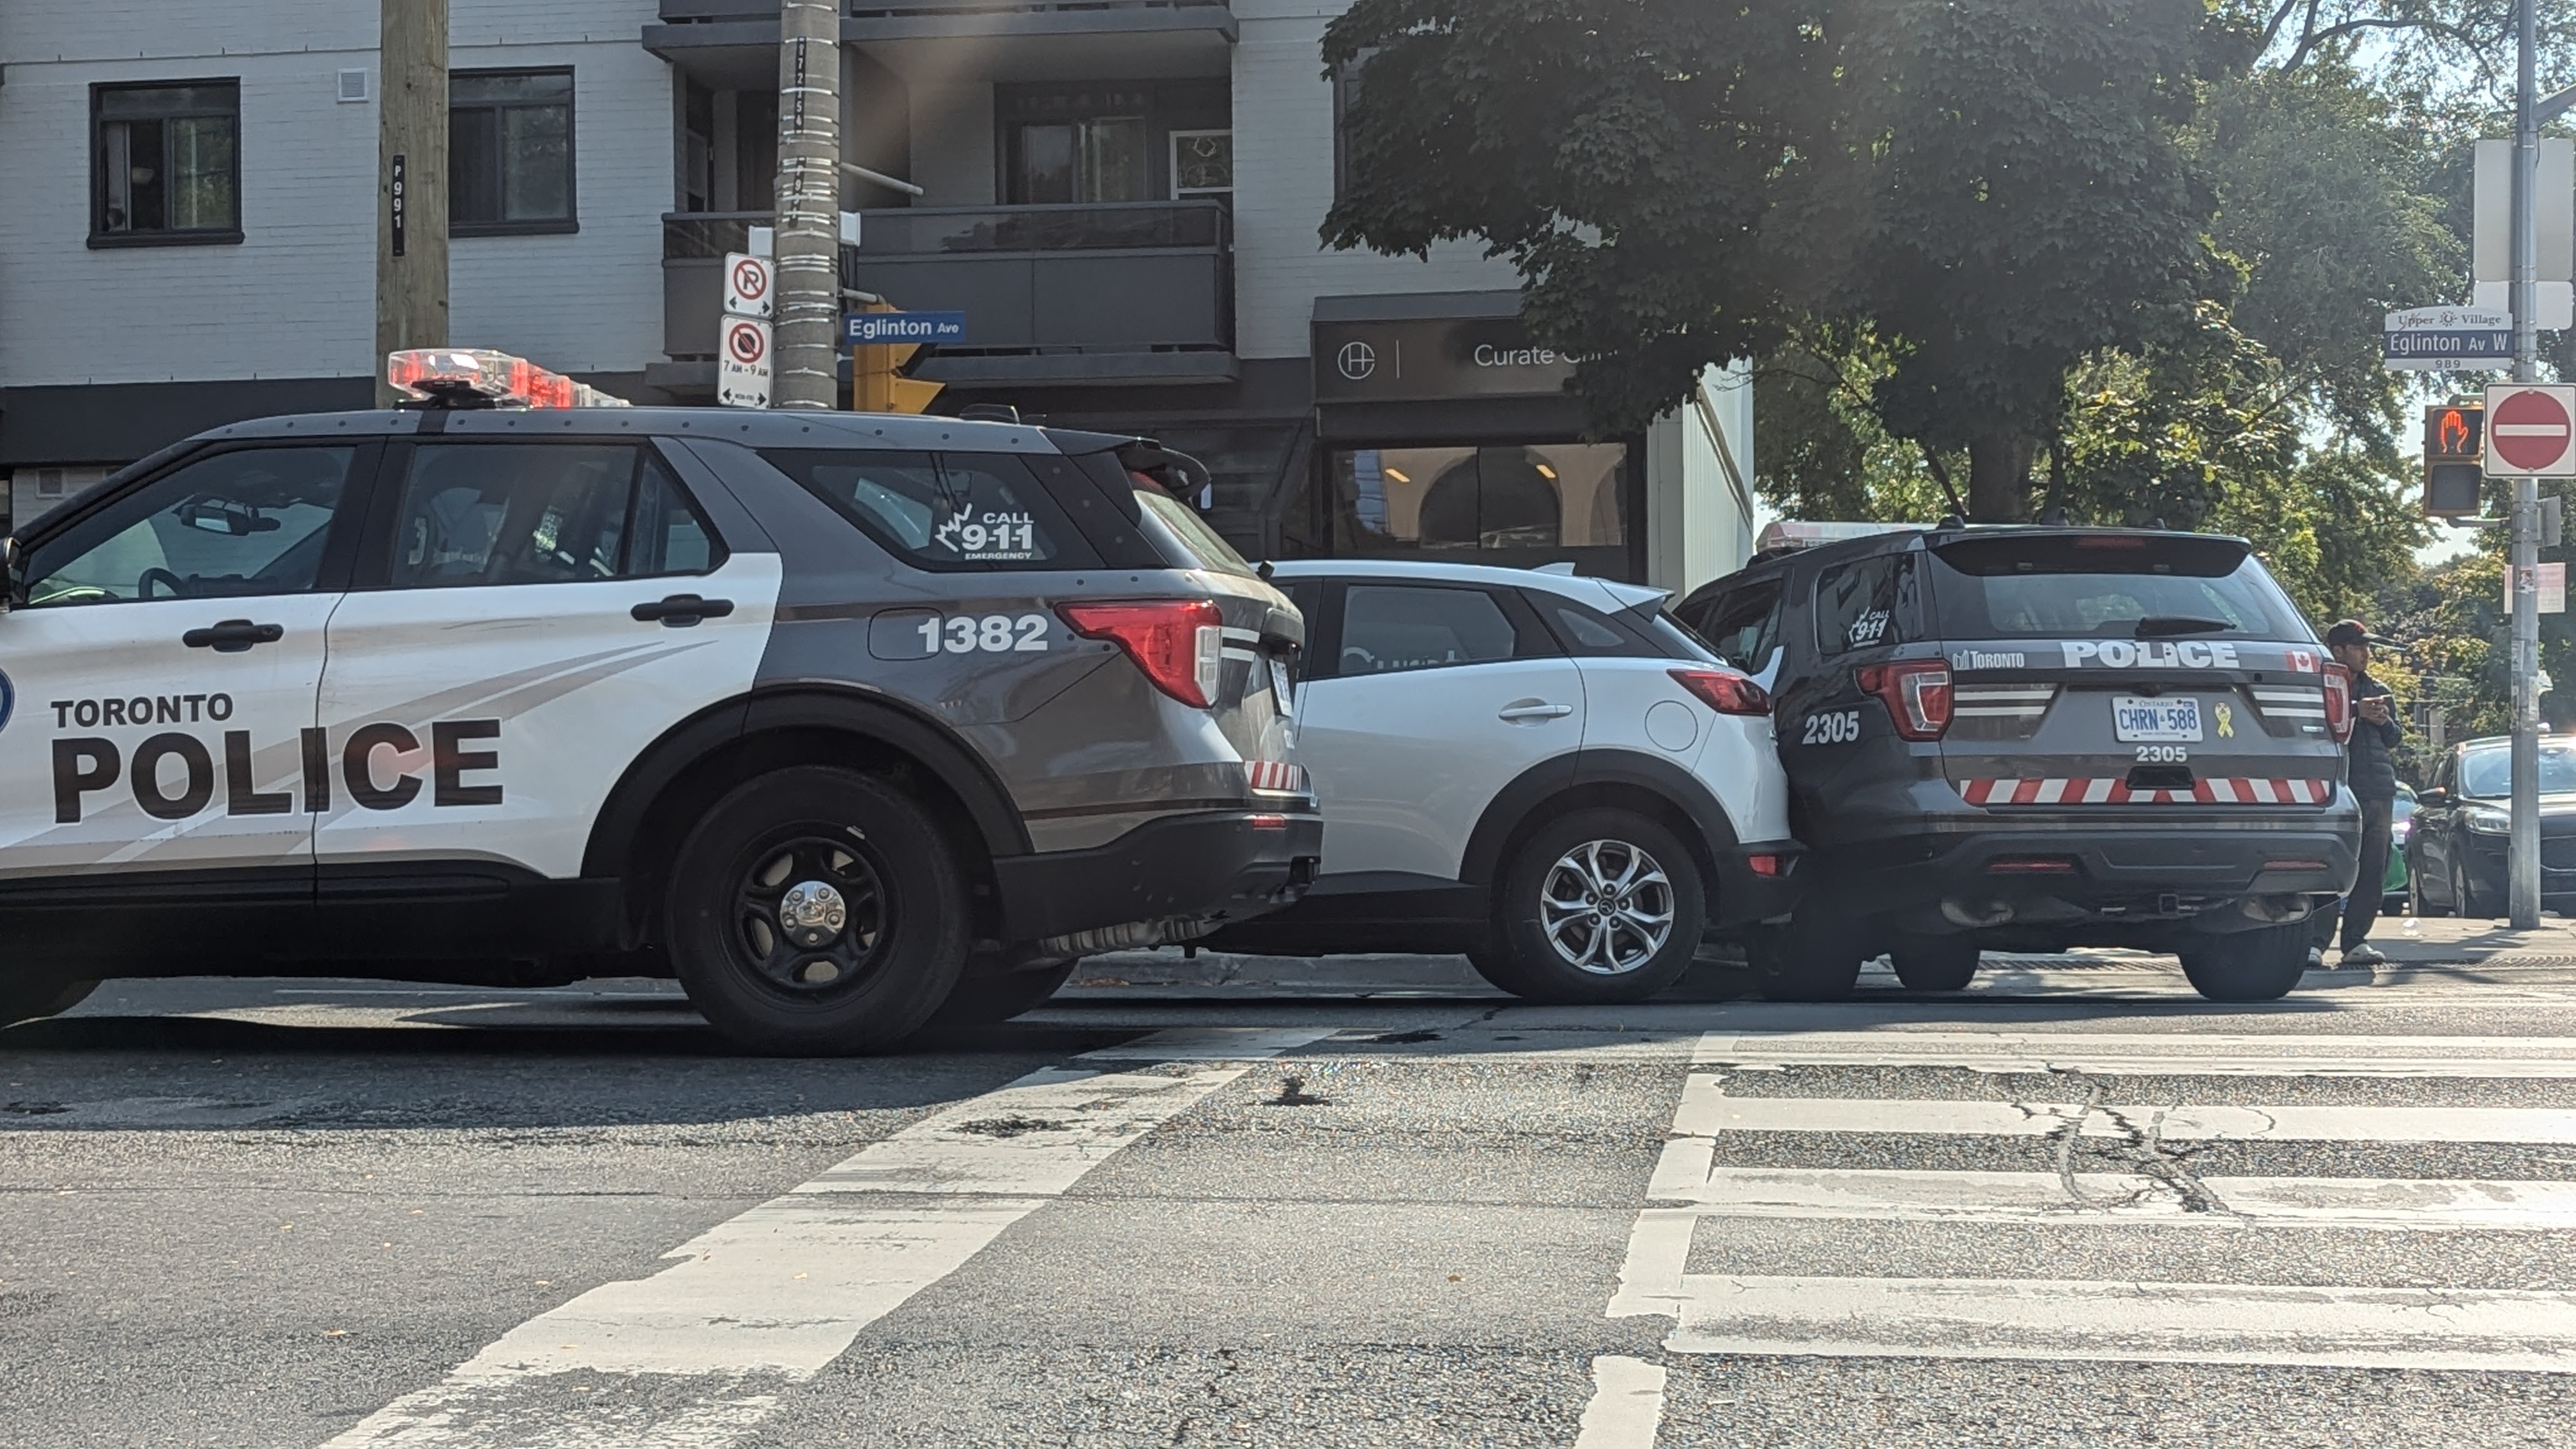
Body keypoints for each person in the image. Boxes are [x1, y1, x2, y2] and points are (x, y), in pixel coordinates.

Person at [2313, 620, 2402, 968]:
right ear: (2338, 652)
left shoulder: (2378, 688)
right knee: (2328, 867)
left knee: (2371, 869)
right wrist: (2353, 711)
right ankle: (2316, 943)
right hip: (2335, 788)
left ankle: (2356, 942)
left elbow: (2395, 739)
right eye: (2358, 647)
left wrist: (2382, 720)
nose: (2366, 653)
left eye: (2367, 647)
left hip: (2377, 790)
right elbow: (2314, 728)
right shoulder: (2320, 687)